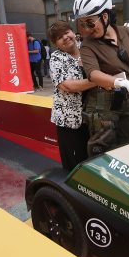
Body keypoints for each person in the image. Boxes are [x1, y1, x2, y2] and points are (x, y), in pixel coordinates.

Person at [74, 0, 129, 156]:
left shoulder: (126, 32)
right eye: (82, 24)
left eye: (90, 23)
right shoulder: (88, 44)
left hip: (125, 98)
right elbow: (93, 74)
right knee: (102, 148)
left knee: (127, 141)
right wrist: (119, 82)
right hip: (102, 103)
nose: (86, 29)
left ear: (105, 17)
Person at [48, 21, 96, 171]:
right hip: (69, 119)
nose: (65, 37)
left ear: (73, 32)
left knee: (93, 158)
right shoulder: (56, 58)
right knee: (74, 161)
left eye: (66, 32)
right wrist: (99, 79)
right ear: (56, 43)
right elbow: (67, 85)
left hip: (93, 116)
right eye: (59, 37)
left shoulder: (88, 49)